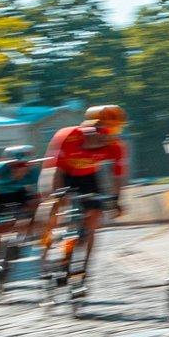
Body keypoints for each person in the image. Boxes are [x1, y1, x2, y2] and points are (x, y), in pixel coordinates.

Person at [39, 105, 130, 287]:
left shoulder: (115, 146)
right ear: (88, 129)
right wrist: (57, 196)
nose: (104, 138)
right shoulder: (68, 136)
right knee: (53, 207)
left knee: (93, 220)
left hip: (87, 176)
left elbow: (117, 177)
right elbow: (55, 172)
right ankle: (46, 249)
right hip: (61, 172)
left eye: (110, 133)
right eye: (100, 132)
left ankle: (83, 271)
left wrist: (116, 200)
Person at [0, 145, 43, 275]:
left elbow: (37, 196)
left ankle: (17, 242)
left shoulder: (34, 172)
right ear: (9, 164)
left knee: (34, 211)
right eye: (16, 166)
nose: (21, 170)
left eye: (25, 166)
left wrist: (34, 217)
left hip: (19, 192)